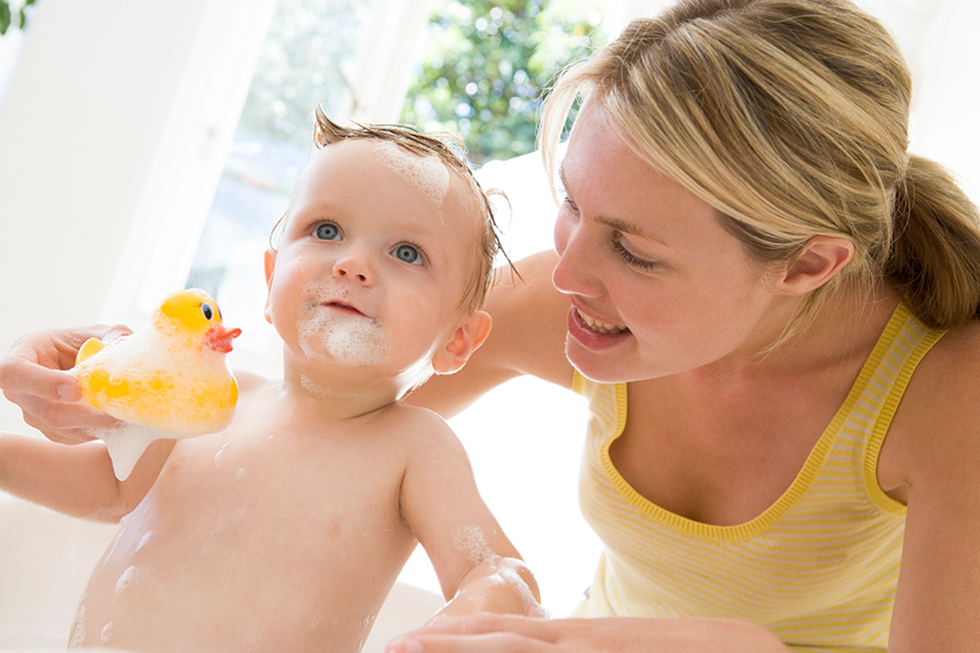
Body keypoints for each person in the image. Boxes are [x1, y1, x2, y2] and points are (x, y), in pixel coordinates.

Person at [3, 0, 979, 651]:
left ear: (807, 264)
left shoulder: (948, 390)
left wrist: (742, 646)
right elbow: (328, 416)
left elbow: (483, 557)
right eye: (570, 203)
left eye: (634, 249)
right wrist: (132, 381)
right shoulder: (563, 298)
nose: (566, 271)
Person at [0, 108, 541, 653]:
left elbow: (498, 572)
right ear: (269, 277)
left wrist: (471, 614)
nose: (354, 264)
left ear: (458, 341)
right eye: (326, 230)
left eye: (407, 253)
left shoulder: (414, 449)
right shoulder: (212, 399)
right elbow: (110, 489)